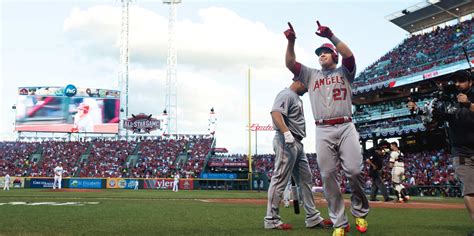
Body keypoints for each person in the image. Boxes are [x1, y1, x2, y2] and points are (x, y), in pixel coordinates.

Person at [284, 21, 369, 235]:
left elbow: (350, 56)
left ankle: (359, 212)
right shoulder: (311, 75)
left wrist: (331, 36)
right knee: (328, 175)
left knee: (355, 171)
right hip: (322, 130)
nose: (321, 55)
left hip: (346, 125)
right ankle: (340, 222)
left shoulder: (345, 72)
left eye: (326, 52)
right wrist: (291, 41)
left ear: (334, 56)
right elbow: (290, 63)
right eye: (319, 53)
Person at [264, 80, 332, 230]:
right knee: (280, 178)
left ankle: (312, 218)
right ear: (299, 81)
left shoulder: (296, 98)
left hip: (297, 142)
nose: (308, 89)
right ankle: (271, 219)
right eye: (306, 85)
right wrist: (286, 133)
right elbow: (275, 113)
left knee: (306, 179)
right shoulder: (286, 94)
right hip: (286, 139)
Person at [408, 69, 474, 224]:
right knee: (470, 190)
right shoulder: (447, 102)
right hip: (461, 152)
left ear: (471, 81)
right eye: (455, 81)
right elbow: (431, 124)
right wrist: (418, 111)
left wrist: (469, 104)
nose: (457, 84)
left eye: (462, 80)